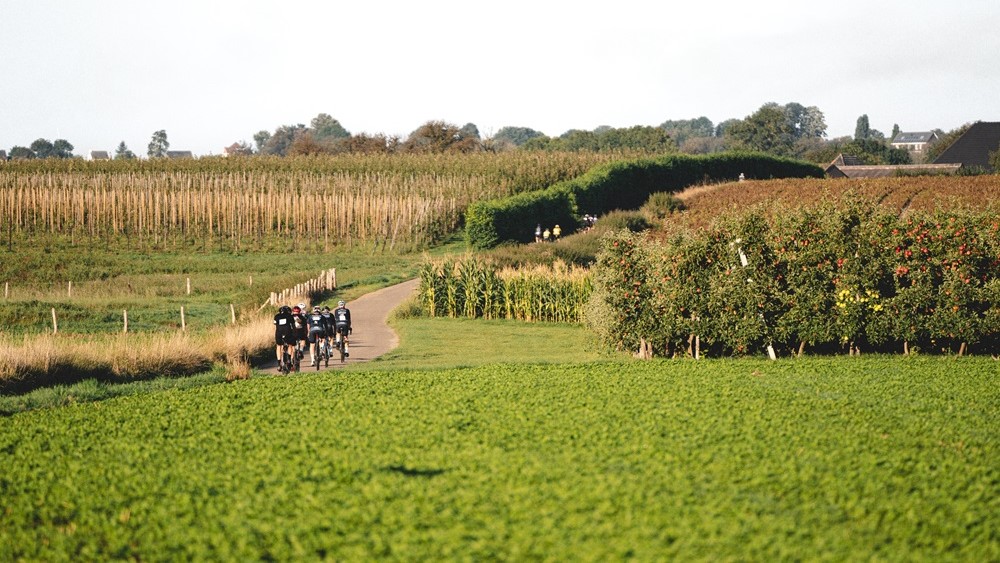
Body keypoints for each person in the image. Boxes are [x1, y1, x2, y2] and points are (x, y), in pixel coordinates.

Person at [273, 305, 296, 372]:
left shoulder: (276, 316)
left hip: (279, 333)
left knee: (278, 346)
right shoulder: (290, 316)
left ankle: (279, 364)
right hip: (288, 332)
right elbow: (293, 326)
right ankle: (289, 359)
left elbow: (275, 323)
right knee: (290, 345)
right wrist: (294, 333)